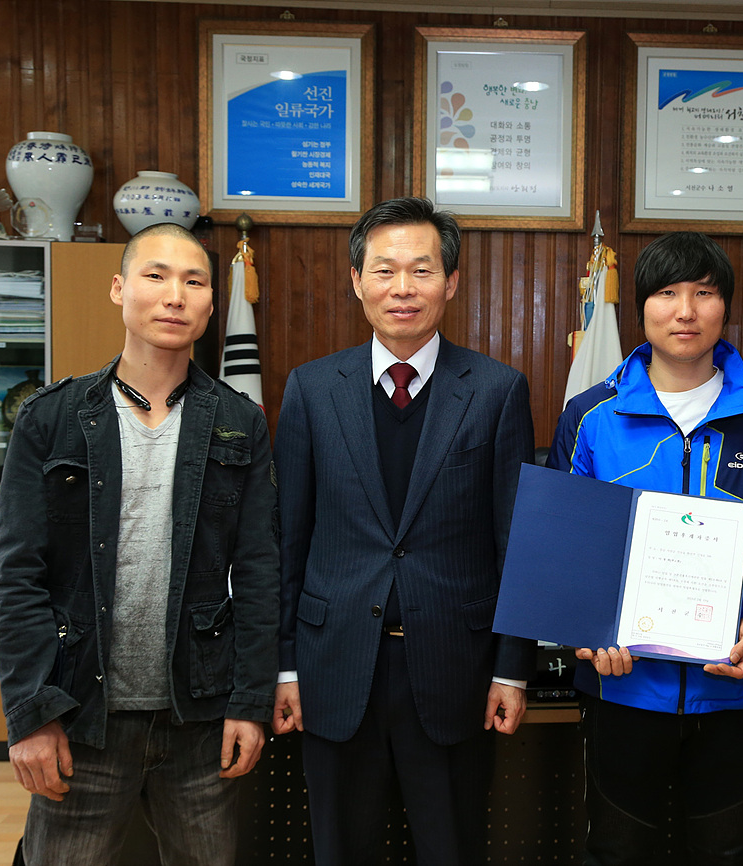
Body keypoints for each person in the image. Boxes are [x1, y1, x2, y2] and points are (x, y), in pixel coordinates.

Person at [0, 222, 280, 865]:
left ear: (211, 304)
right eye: (156, 276)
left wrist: (250, 703)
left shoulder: (239, 422)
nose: (174, 295)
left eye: (194, 280)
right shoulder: (54, 418)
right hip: (80, 714)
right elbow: (17, 576)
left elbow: (260, 571)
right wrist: (31, 713)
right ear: (119, 289)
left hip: (200, 718)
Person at [271, 196, 536, 865]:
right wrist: (284, 666)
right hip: (334, 666)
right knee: (342, 850)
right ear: (355, 279)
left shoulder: (497, 390)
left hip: (454, 667)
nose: (402, 287)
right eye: (384, 270)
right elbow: (288, 539)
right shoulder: (310, 389)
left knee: (451, 848)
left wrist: (512, 672)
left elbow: (516, 542)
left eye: (420, 270)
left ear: (450, 282)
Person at [546, 231, 743, 865]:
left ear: (725, 307)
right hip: (622, 684)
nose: (685, 310)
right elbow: (564, 539)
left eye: (704, 292)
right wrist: (588, 626)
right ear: (641, 308)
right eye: (667, 293)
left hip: (734, 684)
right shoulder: (590, 416)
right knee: (616, 849)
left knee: (727, 850)